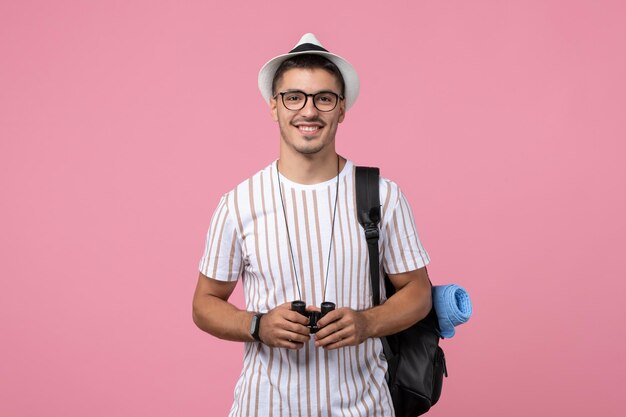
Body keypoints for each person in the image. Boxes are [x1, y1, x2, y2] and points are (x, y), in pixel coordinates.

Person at [192, 33, 432, 416]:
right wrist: (257, 325)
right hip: (264, 407)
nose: (308, 111)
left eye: (324, 98)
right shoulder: (238, 203)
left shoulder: (383, 196)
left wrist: (368, 322)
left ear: (341, 109)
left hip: (364, 408)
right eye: (294, 97)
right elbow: (204, 304)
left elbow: (418, 293)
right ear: (274, 106)